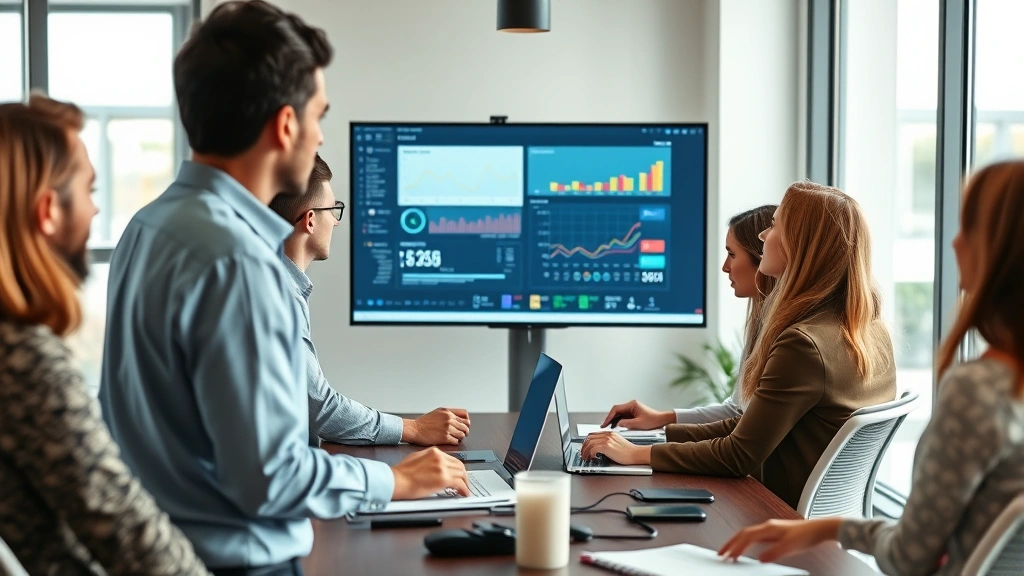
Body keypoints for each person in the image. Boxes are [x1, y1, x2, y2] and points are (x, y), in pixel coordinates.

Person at [97, 2, 469, 573]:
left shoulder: (145, 228)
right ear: (286, 124)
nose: (320, 132)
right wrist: (392, 479)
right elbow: (270, 476)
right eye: (318, 115)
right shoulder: (243, 262)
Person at [719, 161, 1024, 575]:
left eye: (969, 228)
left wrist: (827, 529)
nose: (955, 244)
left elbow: (909, 558)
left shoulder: (979, 391)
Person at [583, 182, 896, 509]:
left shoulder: (803, 344)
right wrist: (660, 433)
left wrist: (636, 453)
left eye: (774, 226)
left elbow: (738, 455)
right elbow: (748, 426)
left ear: (798, 246)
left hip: (774, 516)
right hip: (823, 525)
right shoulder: (871, 333)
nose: (764, 236)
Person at [0, 95, 208, 574]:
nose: (96, 211)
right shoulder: (25, 360)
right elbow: (126, 530)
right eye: (89, 190)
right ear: (49, 209)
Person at [268, 154, 471, 447]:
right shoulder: (279, 293)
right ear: (310, 220)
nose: (336, 223)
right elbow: (320, 409)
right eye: (333, 210)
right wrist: (413, 429)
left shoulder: (277, 282)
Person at [597, 205, 778, 431]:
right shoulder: (761, 326)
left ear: (761, 257)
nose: (725, 267)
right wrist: (662, 418)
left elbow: (743, 429)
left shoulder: (786, 338)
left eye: (732, 254)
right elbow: (737, 411)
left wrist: (640, 453)